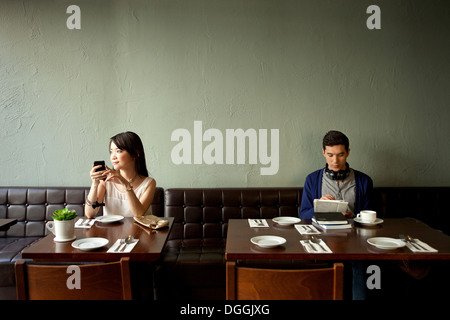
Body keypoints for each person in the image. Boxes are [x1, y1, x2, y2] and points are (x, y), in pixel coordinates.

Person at [300, 130, 374, 219]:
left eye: (340, 155)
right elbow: (303, 216)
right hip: (322, 232)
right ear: (323, 152)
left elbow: (371, 216)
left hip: (353, 231)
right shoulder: (311, 179)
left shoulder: (364, 181)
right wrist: (319, 207)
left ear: (348, 152)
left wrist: (354, 217)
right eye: (330, 155)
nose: (335, 161)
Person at [85, 131, 157, 219]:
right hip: (111, 232)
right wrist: (95, 184)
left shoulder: (149, 183)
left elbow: (138, 214)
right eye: (111, 152)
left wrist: (125, 184)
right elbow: (89, 214)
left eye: (119, 151)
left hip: (138, 232)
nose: (113, 156)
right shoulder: (106, 181)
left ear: (136, 153)